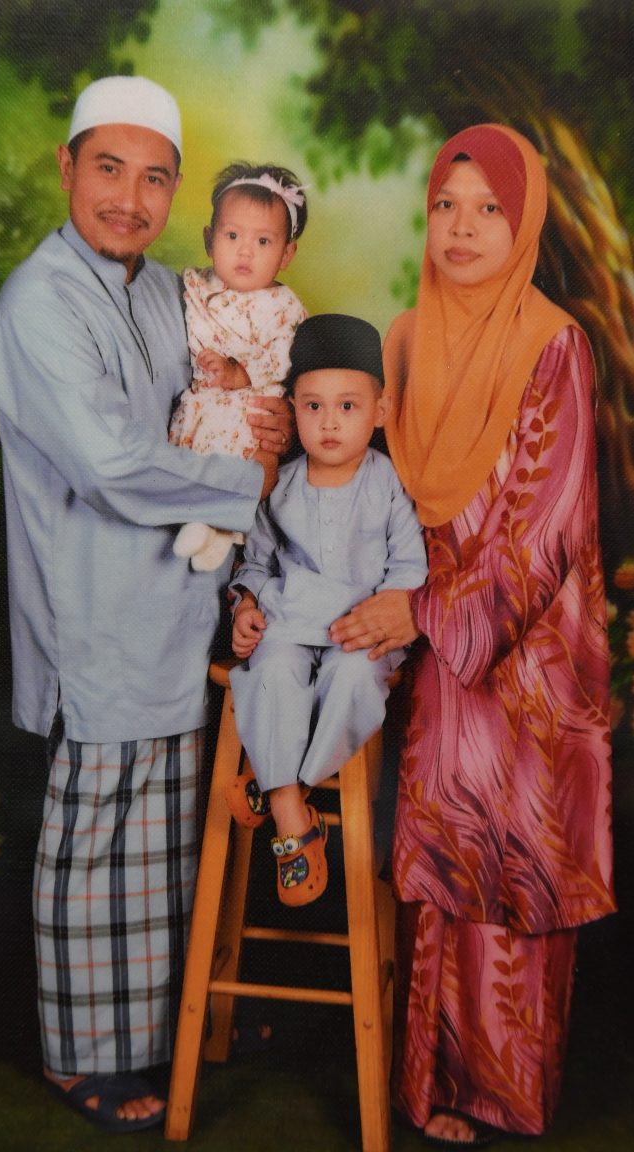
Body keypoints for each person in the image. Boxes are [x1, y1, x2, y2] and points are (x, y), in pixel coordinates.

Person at [0, 75, 291, 1132]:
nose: (129, 197)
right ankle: (82, 1057)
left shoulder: (168, 290)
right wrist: (254, 480)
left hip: (176, 604)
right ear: (67, 167)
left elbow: (224, 384)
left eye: (155, 177)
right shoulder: (40, 300)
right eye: (108, 169)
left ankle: (173, 1018)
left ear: (176, 194)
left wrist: (270, 418)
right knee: (97, 843)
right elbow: (113, 464)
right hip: (94, 614)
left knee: (163, 842)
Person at [328, 125, 615, 1145]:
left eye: (489, 209)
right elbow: (367, 484)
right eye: (446, 205)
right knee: (441, 865)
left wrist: (424, 610)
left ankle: (500, 1091)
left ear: (524, 223)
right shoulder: (405, 339)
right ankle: (431, 1087)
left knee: (511, 866)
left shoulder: (553, 343)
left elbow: (545, 531)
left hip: (526, 661)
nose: (462, 228)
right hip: (433, 657)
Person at [227, 314, 428, 906]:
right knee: (271, 670)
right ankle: (292, 811)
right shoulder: (279, 487)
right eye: (313, 407)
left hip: (360, 636)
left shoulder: (389, 485)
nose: (330, 422)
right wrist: (245, 606)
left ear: (380, 411)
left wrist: (390, 615)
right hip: (288, 626)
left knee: (354, 681)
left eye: (347, 406)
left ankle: (281, 788)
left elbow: (408, 570)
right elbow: (255, 564)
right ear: (293, 409)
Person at [168, 161, 308, 571]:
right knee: (190, 459)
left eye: (263, 241)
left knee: (242, 463)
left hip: (248, 406)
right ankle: (207, 530)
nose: (245, 251)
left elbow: (285, 356)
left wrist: (238, 373)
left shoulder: (283, 306)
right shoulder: (196, 286)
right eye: (232, 236)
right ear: (209, 240)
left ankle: (223, 531)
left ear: (286, 254)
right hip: (201, 403)